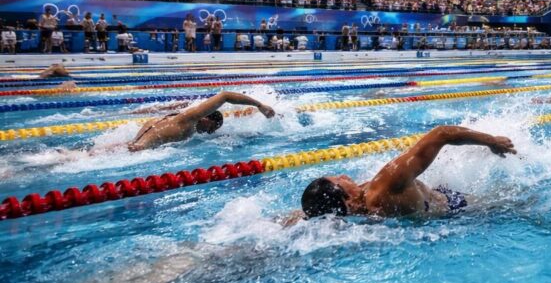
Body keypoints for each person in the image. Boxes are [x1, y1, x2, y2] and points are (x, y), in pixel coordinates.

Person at [297, 125, 515, 219]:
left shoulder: (352, 213)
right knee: (517, 201)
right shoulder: (387, 182)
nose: (344, 175)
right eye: (339, 180)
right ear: (347, 202)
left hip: (431, 211)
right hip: (457, 207)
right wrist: (492, 141)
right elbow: (442, 133)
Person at [128, 91, 276, 152]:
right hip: (139, 151)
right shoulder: (189, 119)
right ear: (206, 118)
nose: (208, 133)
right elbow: (225, 95)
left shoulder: (170, 118)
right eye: (211, 129)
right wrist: (260, 105)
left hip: (132, 147)